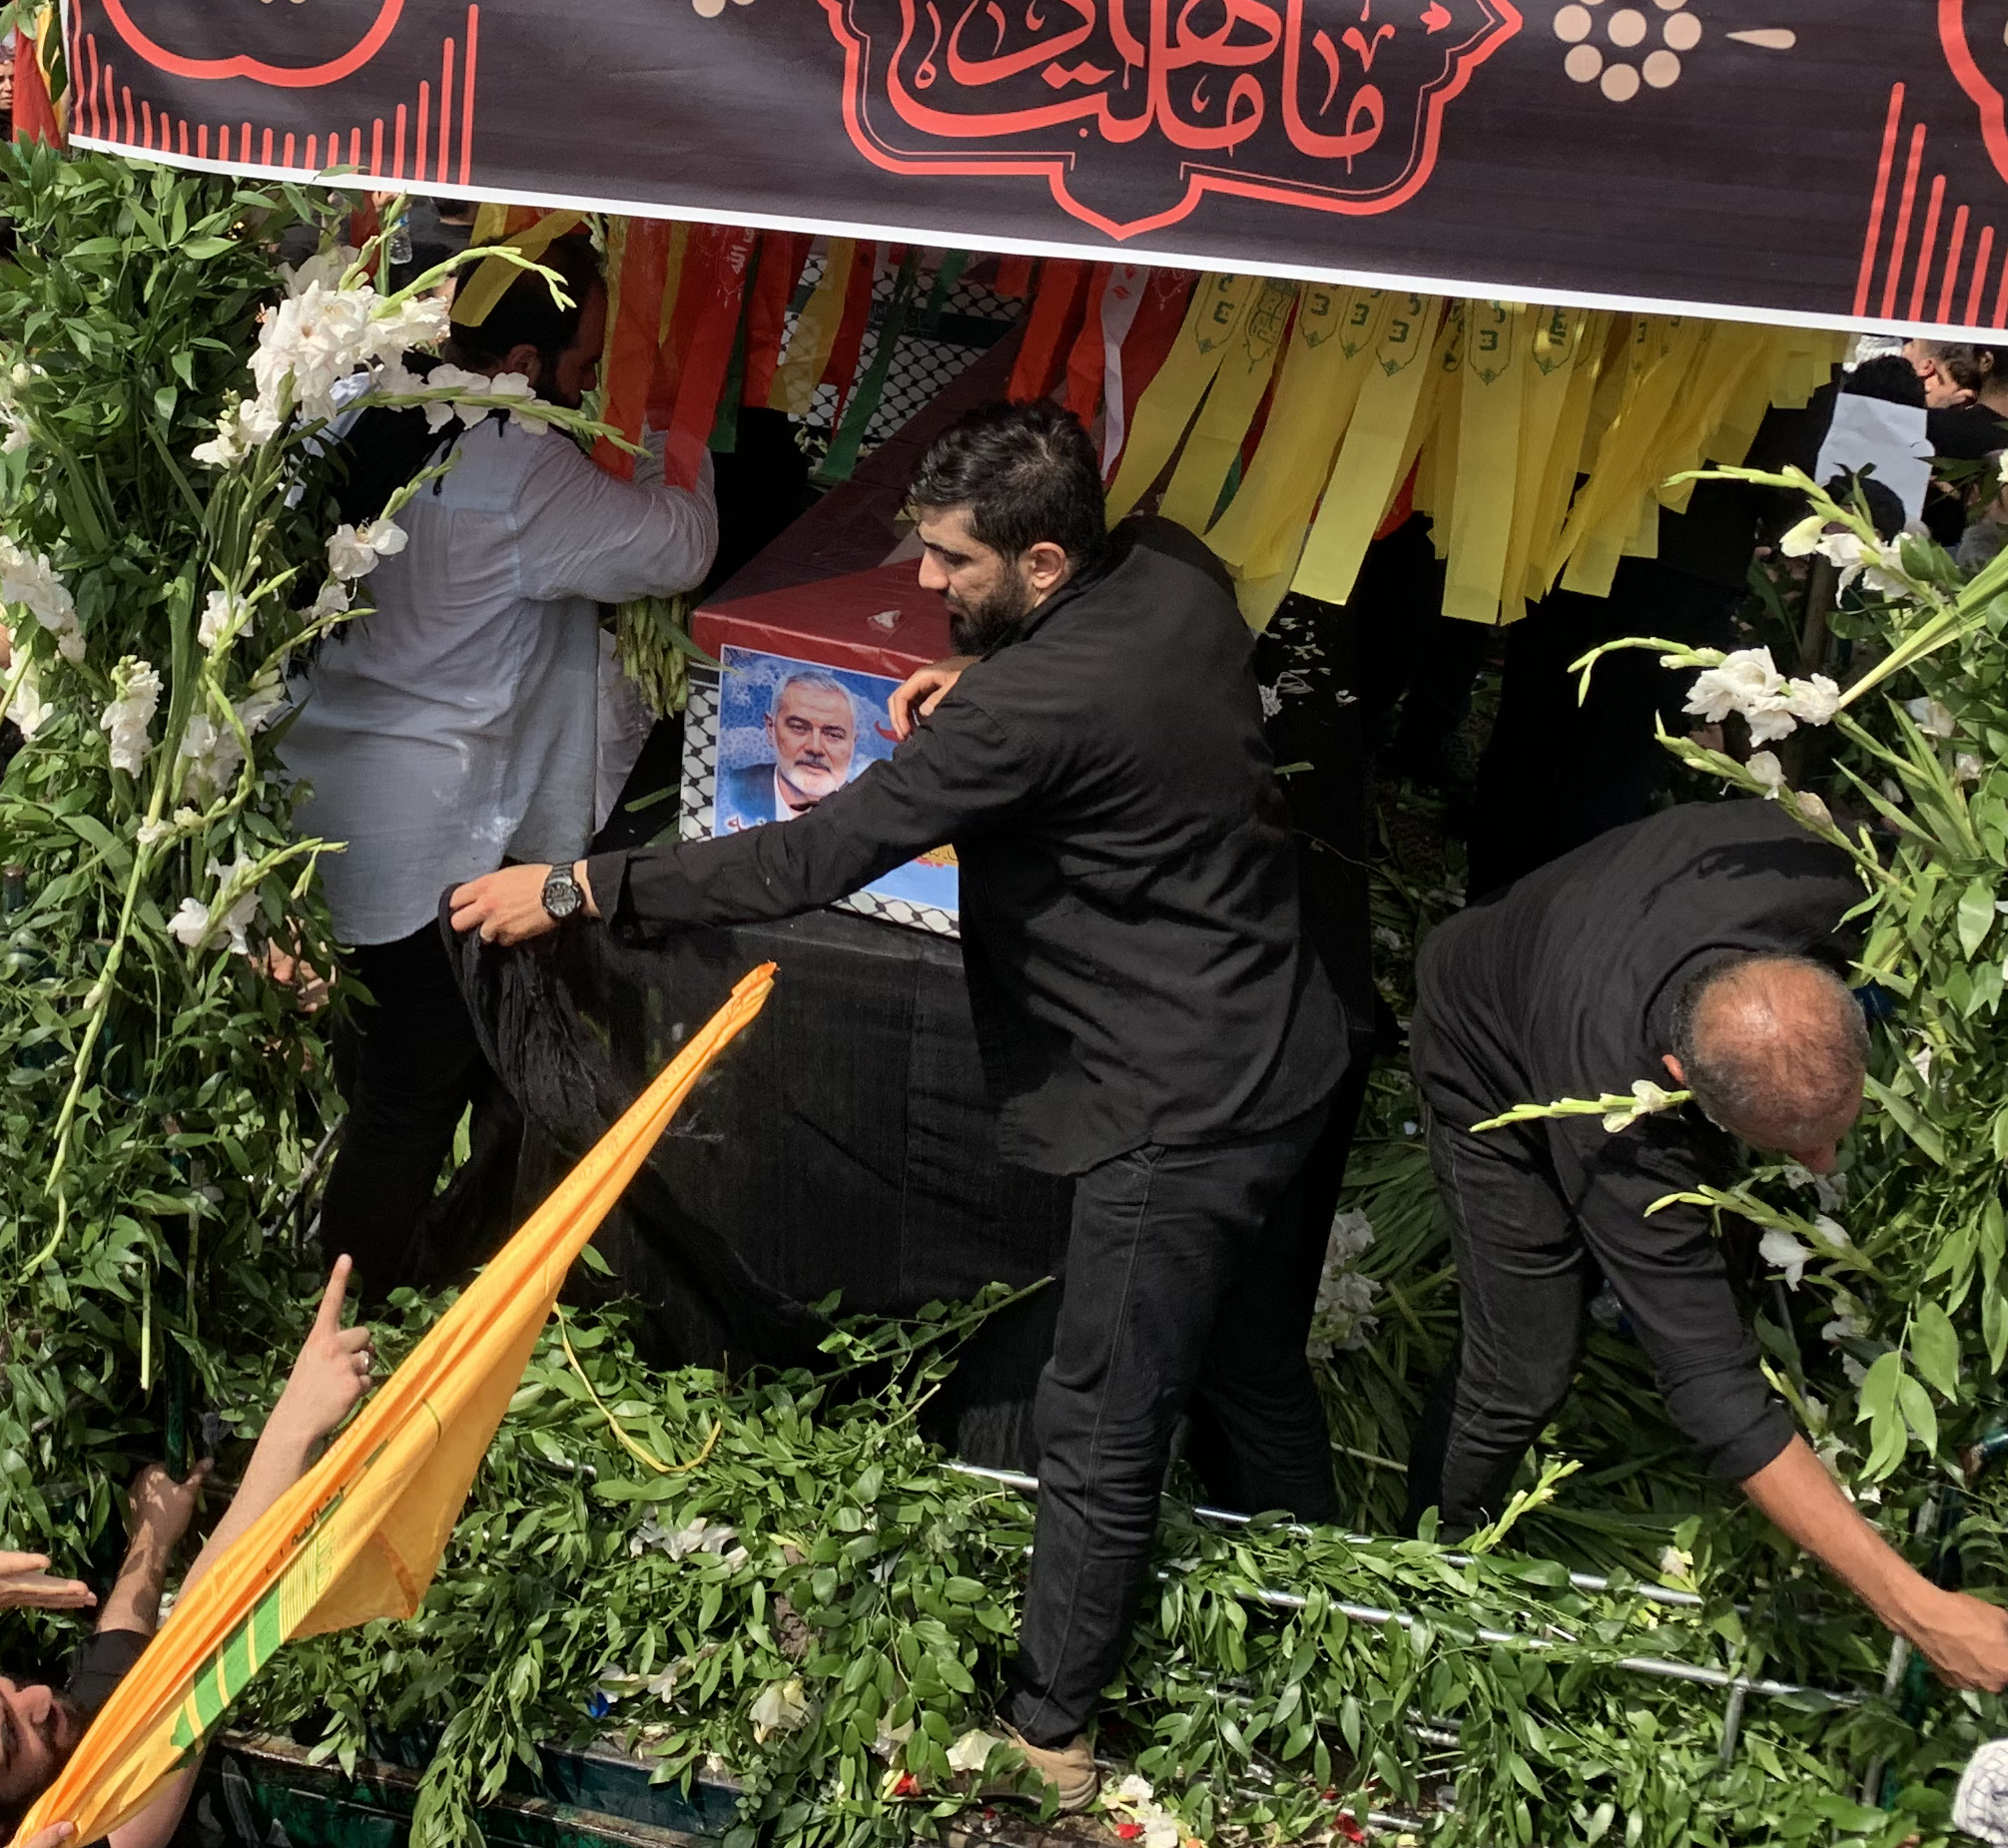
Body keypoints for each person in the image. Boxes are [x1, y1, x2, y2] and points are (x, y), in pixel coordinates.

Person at [452, 400, 1358, 1806]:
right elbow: (1080, 699)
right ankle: (1333, 1625)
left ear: (1047, 561)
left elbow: (806, 859)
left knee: (1105, 1419)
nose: (923, 589)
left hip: (1170, 1105)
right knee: (1251, 1372)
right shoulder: (1172, 568)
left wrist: (579, 886)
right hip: (1283, 1042)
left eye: (953, 566)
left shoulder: (1036, 711)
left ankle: (1051, 1738)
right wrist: (981, 680)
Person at [1403, 794, 2008, 1693]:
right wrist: (1914, 1606)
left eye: (1835, 1128)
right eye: (1795, 1146)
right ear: (1678, 1083)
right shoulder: (1617, 1117)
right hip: (1487, 1038)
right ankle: (1423, 1573)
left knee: (1730, 1261)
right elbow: (1712, 1386)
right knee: (1524, 1361)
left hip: (1596, 924)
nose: (1825, 1162)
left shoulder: (1830, 872)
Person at [278, 249, 714, 1302]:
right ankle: (338, 1317)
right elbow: (677, 546)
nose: (591, 385)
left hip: (309, 794)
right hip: (426, 829)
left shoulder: (350, 405)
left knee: (379, 1059)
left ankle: (371, 1264)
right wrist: (679, 427)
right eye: (589, 361)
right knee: (412, 1089)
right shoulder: (518, 461)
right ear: (525, 357)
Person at [717, 667, 883, 827]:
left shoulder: (871, 818)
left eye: (833, 735)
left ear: (853, 743)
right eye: (799, 728)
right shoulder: (731, 790)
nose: (815, 748)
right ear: (770, 729)